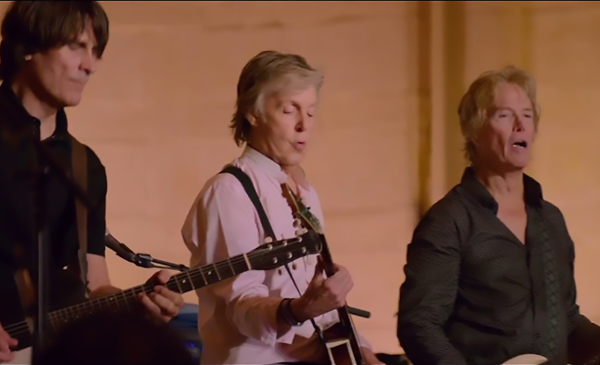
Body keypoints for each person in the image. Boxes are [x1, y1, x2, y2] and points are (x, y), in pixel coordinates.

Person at [0, 2, 184, 364]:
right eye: (76, 47)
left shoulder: (85, 166)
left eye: (96, 51)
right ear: (28, 48)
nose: (91, 65)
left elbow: (93, 283)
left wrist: (135, 308)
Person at [181, 50, 382, 365]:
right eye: (290, 110)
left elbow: (322, 309)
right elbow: (241, 308)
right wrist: (299, 309)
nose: (304, 126)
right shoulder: (229, 192)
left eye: (312, 113)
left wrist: (363, 352)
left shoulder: (302, 191)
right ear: (253, 113)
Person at [396, 66, 600, 365]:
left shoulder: (551, 220)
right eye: (504, 115)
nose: (520, 125)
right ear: (475, 131)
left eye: (528, 115)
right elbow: (419, 325)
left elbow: (566, 321)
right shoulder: (448, 222)